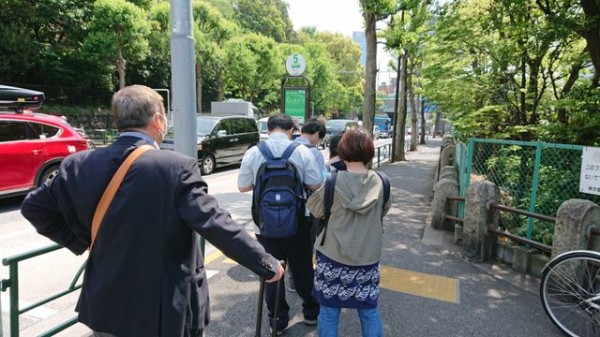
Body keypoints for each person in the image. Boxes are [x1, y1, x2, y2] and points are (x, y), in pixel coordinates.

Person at [20, 85, 283, 337]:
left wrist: (81, 240)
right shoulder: (174, 167)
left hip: (105, 305)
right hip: (161, 312)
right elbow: (215, 224)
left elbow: (34, 207)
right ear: (158, 120)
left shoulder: (78, 164)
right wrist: (266, 263)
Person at [238, 113, 321, 335]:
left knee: (271, 272)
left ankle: (277, 320)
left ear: (268, 130)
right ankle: (311, 312)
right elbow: (315, 184)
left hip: (264, 226)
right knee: (303, 268)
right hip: (298, 224)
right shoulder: (302, 151)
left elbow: (242, 186)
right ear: (292, 131)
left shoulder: (254, 152)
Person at [306, 129, 392, 337]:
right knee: (369, 311)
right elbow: (383, 211)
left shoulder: (333, 182)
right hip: (367, 258)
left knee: (329, 312)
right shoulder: (382, 182)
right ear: (369, 152)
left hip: (332, 256)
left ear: (342, 152)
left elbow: (316, 210)